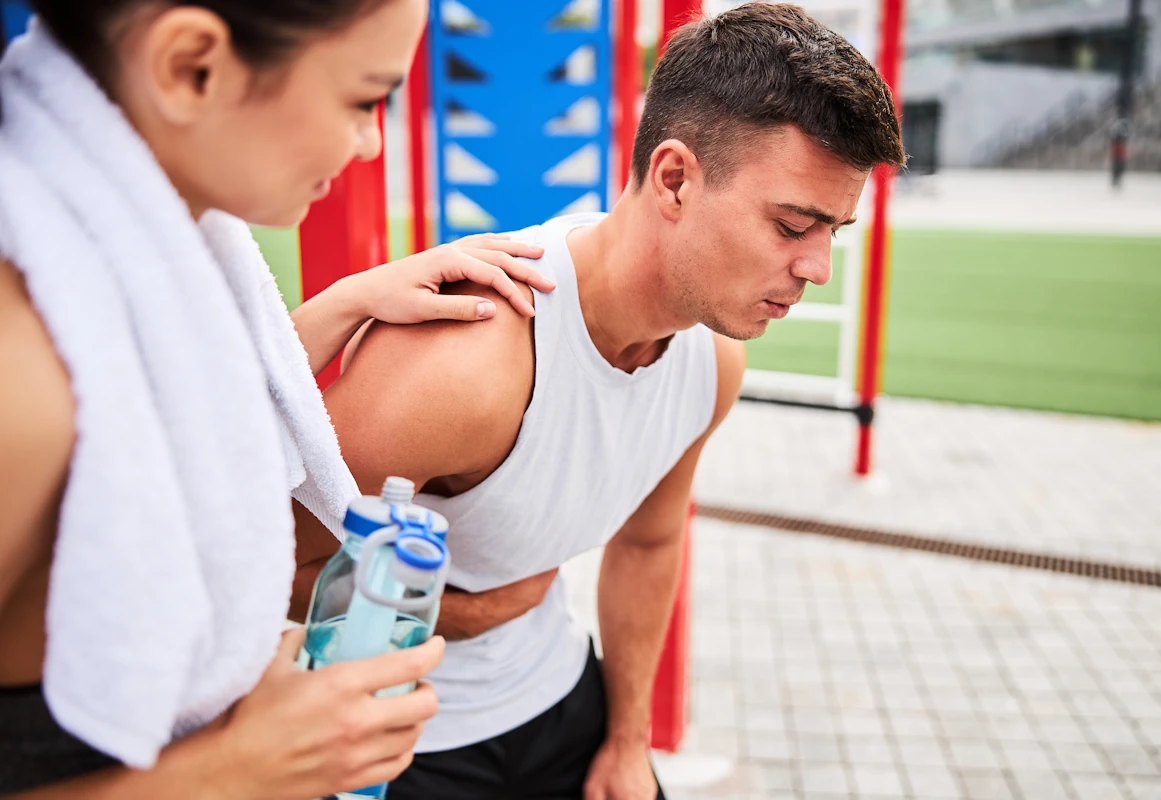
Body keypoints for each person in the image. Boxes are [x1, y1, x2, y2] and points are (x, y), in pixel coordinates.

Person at [293, 3, 907, 797]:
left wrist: (627, 740)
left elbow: (649, 545)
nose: (818, 267)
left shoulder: (711, 359)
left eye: (835, 231)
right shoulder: (466, 358)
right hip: (399, 745)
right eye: (793, 225)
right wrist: (463, 612)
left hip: (559, 701)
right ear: (675, 179)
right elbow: (261, 562)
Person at [0, 1, 555, 797]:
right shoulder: (20, 375)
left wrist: (349, 301)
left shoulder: (136, 243)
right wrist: (238, 768)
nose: (370, 144)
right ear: (192, 66)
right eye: (364, 99)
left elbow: (166, 393)